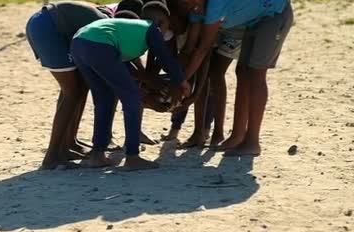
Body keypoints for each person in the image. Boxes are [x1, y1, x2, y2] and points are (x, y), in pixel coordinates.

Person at [71, 1, 190, 170]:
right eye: (166, 27)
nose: (165, 34)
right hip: (99, 45)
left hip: (79, 42)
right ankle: (132, 157)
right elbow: (165, 58)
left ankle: (97, 155)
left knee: (104, 98)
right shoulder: (151, 29)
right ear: (161, 23)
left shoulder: (129, 30)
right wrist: (182, 82)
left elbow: (120, 65)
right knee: (132, 98)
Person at [180, 0, 294, 156]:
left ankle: (252, 142)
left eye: (187, 2)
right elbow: (190, 47)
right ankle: (238, 136)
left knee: (256, 74)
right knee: (242, 71)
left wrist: (181, 81)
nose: (187, 7)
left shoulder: (214, 5)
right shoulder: (196, 8)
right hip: (255, 20)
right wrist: (179, 79)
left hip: (274, 14)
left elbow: (203, 48)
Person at [25, 1, 109, 169]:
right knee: (72, 92)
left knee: (80, 87)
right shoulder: (108, 25)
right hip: (47, 28)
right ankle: (51, 158)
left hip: (44, 23)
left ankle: (68, 145)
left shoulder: (103, 16)